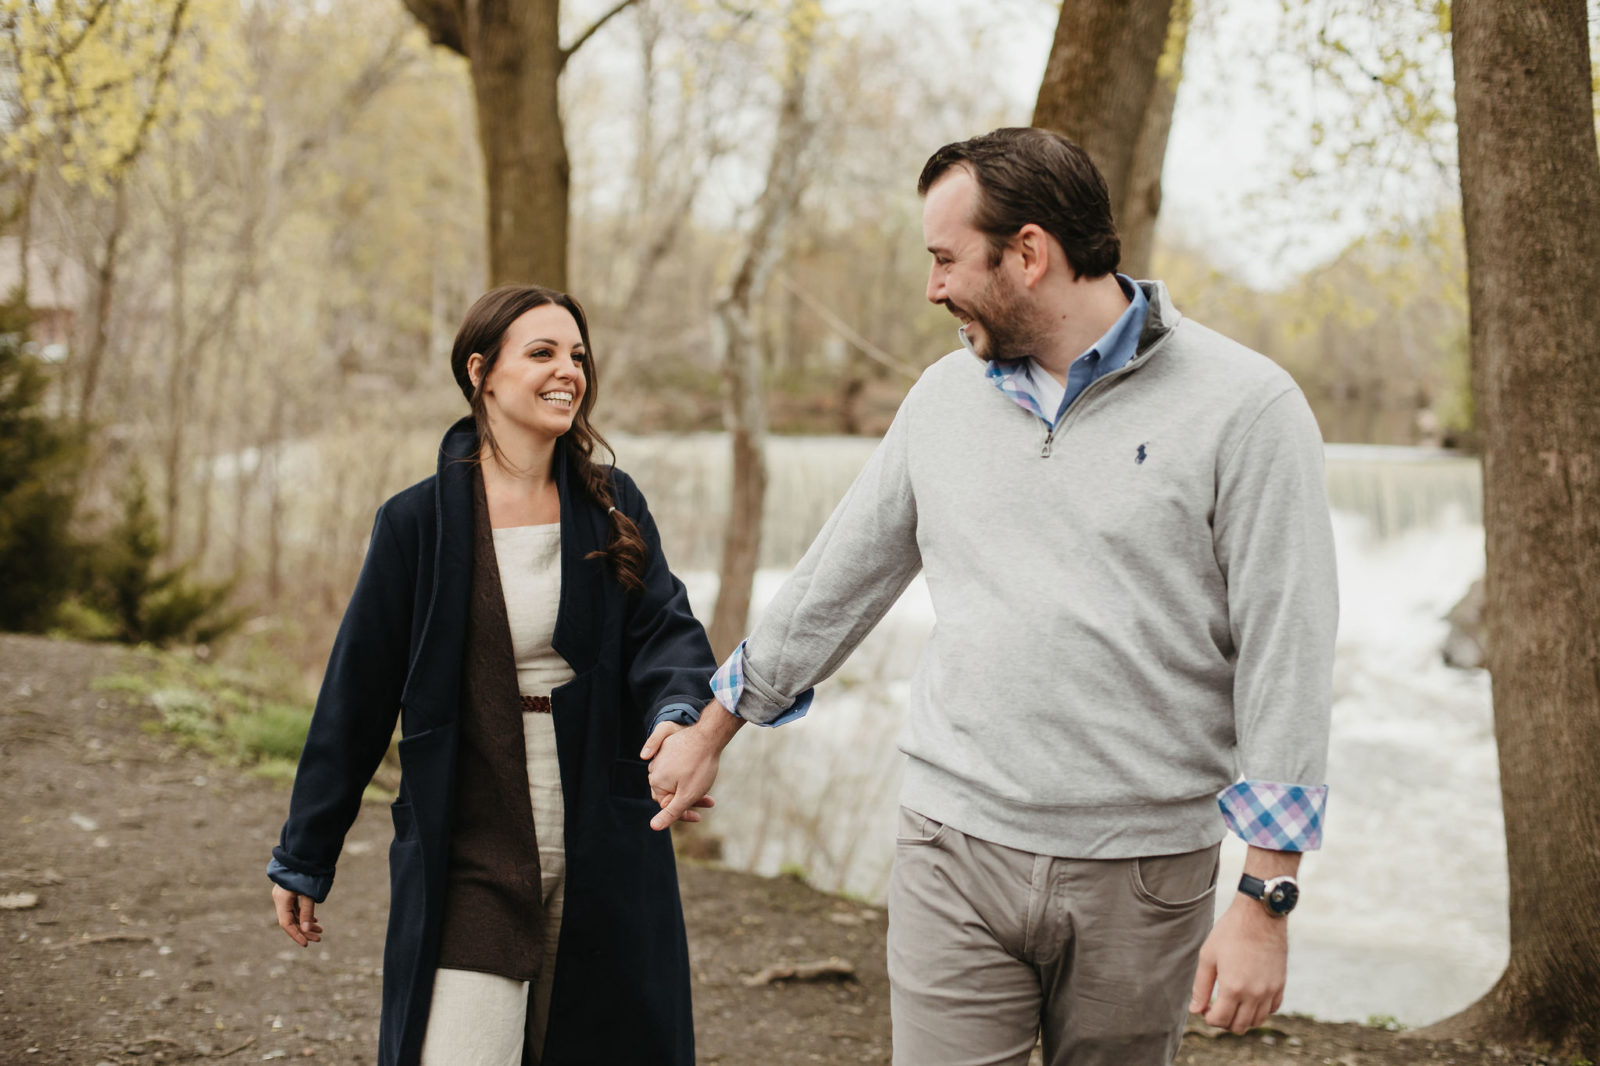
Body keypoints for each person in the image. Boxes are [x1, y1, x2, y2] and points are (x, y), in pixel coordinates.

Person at [643, 127, 1338, 1066]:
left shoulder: (1248, 408)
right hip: (952, 850)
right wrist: (713, 727)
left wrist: (1266, 897)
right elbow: (837, 582)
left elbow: (1286, 649)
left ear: (1029, 252)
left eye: (944, 258)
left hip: (1143, 876)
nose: (932, 287)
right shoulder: (942, 400)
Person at [267, 285, 717, 1066]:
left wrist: (678, 718)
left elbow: (666, 635)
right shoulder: (417, 525)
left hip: (605, 832)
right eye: (541, 352)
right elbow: (357, 696)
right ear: (482, 372)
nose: (567, 371)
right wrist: (306, 853)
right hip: (471, 838)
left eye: (576, 355)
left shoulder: (615, 506)